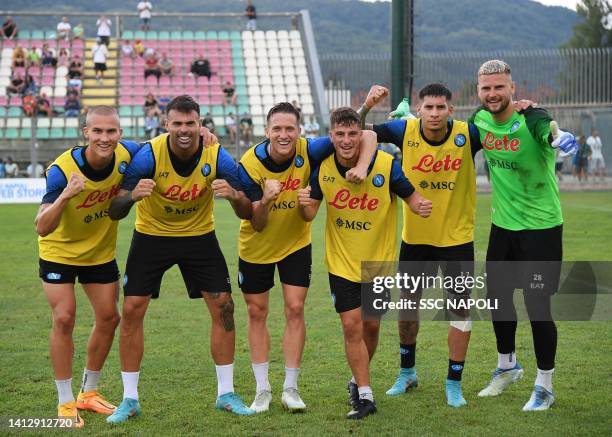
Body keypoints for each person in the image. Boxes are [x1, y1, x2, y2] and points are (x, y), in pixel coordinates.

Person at [106, 95, 254, 423]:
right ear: (166, 124)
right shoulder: (149, 155)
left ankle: (226, 394)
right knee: (131, 311)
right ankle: (129, 399)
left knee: (225, 307)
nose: (184, 130)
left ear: (201, 125)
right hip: (151, 237)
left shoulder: (216, 155)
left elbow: (247, 206)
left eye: (191, 123)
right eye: (177, 123)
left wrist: (233, 197)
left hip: (199, 237)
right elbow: (114, 210)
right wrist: (131, 196)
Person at [236, 102, 377, 414]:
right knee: (257, 313)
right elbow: (256, 224)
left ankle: (290, 387)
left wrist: (364, 166)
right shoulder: (249, 164)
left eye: (290, 129)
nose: (284, 135)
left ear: (299, 131)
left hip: (296, 244)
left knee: (295, 309)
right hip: (256, 247)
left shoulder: (311, 149)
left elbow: (365, 135)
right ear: (267, 131)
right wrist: (267, 201)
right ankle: (262, 390)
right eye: (277, 129)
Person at [297, 107, 432, 419]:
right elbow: (309, 214)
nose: (346, 140)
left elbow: (412, 198)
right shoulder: (324, 169)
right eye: (340, 134)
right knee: (351, 324)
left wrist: (420, 206)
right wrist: (304, 205)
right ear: (331, 137)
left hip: (378, 265)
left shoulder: (386, 166)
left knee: (371, 325)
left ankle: (356, 382)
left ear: (361, 135)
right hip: (341, 263)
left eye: (352, 133)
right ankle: (365, 396)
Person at [359, 83, 484, 408]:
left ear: (451, 111)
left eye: (440, 107)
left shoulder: (468, 135)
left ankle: (454, 382)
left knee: (459, 310)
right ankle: (407, 372)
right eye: (428, 107)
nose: (434, 113)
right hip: (415, 241)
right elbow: (354, 130)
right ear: (419, 109)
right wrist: (367, 106)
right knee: (408, 307)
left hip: (457, 241)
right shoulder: (405, 130)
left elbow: (503, 127)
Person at [470, 59, 577, 411]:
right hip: (503, 227)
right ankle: (507, 366)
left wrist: (559, 138)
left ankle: (545, 385)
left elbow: (548, 129)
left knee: (536, 305)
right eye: (486, 88)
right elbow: (449, 140)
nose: (492, 93)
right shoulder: (479, 120)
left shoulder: (530, 117)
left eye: (499, 87)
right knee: (497, 299)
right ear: (479, 91)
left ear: (512, 89)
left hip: (541, 229)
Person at [34, 106, 141, 427]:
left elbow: (163, 144)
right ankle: (65, 401)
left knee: (109, 318)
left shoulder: (128, 153)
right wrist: (66, 195)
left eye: (111, 131)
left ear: (120, 133)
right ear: (86, 133)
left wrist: (203, 135)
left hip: (99, 253)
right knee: (64, 317)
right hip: (59, 252)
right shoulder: (62, 170)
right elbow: (41, 226)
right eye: (98, 131)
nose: (105, 138)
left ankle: (88, 393)